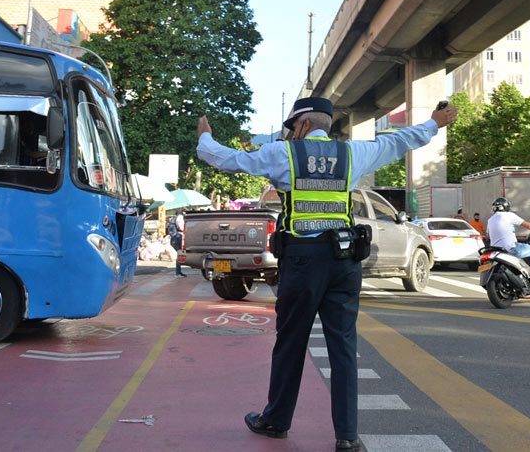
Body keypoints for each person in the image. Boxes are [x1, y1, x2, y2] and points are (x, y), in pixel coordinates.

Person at [196, 96, 457, 452]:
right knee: (343, 347)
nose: (291, 135)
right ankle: (347, 437)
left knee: (291, 342)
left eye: (292, 129)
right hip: (344, 260)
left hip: (303, 260)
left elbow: (226, 159)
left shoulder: (283, 154)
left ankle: (276, 421)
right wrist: (433, 123)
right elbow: (398, 141)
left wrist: (205, 137)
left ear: (302, 125)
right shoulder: (352, 154)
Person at [486, 197, 530, 287]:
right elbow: (528, 225)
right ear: (506, 206)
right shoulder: (509, 215)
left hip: (496, 251)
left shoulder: (490, 220)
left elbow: (488, 236)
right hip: (510, 249)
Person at [167, 211, 187, 277]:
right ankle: (178, 272)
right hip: (178, 237)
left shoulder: (173, 218)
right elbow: (181, 228)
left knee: (179, 254)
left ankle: (178, 272)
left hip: (174, 238)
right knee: (180, 254)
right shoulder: (180, 217)